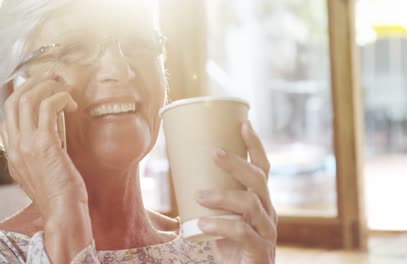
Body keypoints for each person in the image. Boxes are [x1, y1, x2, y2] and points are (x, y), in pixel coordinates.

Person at [0, 0, 277, 263]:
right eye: (74, 48)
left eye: (139, 42)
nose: (120, 69)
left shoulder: (218, 246)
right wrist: (64, 214)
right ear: (15, 94)